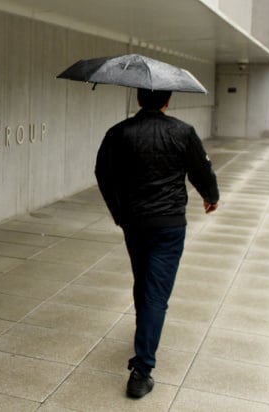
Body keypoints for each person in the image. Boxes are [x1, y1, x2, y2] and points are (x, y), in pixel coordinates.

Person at [94, 88, 220, 399]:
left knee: (143, 280)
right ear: (167, 101)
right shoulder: (182, 131)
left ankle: (144, 336)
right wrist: (211, 196)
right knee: (156, 292)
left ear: (138, 99)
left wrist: (119, 212)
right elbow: (201, 169)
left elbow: (103, 173)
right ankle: (143, 369)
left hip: (135, 222)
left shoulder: (119, 132)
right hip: (169, 224)